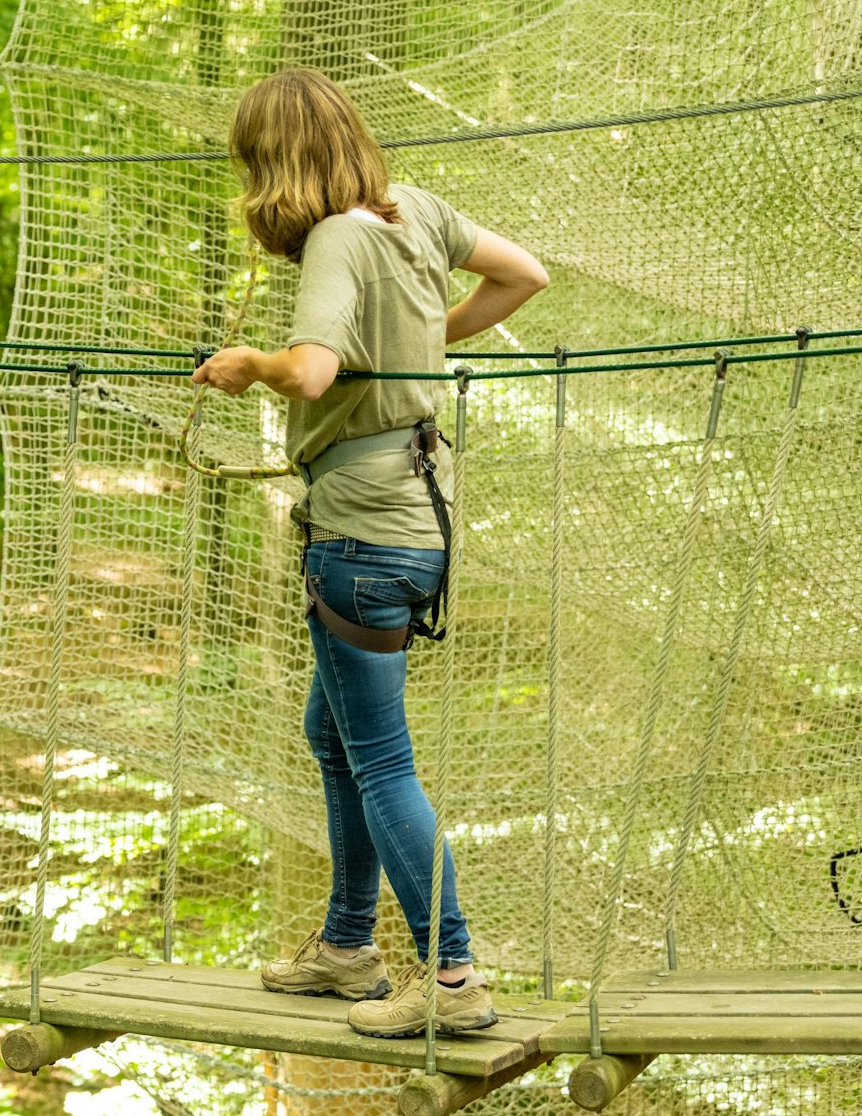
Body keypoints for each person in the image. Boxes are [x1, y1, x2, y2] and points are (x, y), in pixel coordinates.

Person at [193, 68, 548, 1037]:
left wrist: (248, 367)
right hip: (416, 516)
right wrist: (424, 338)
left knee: (381, 762)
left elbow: (307, 370)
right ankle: (347, 947)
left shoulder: (334, 237)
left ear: (275, 163)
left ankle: (450, 978)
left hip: (358, 530)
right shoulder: (415, 214)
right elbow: (525, 275)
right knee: (330, 732)